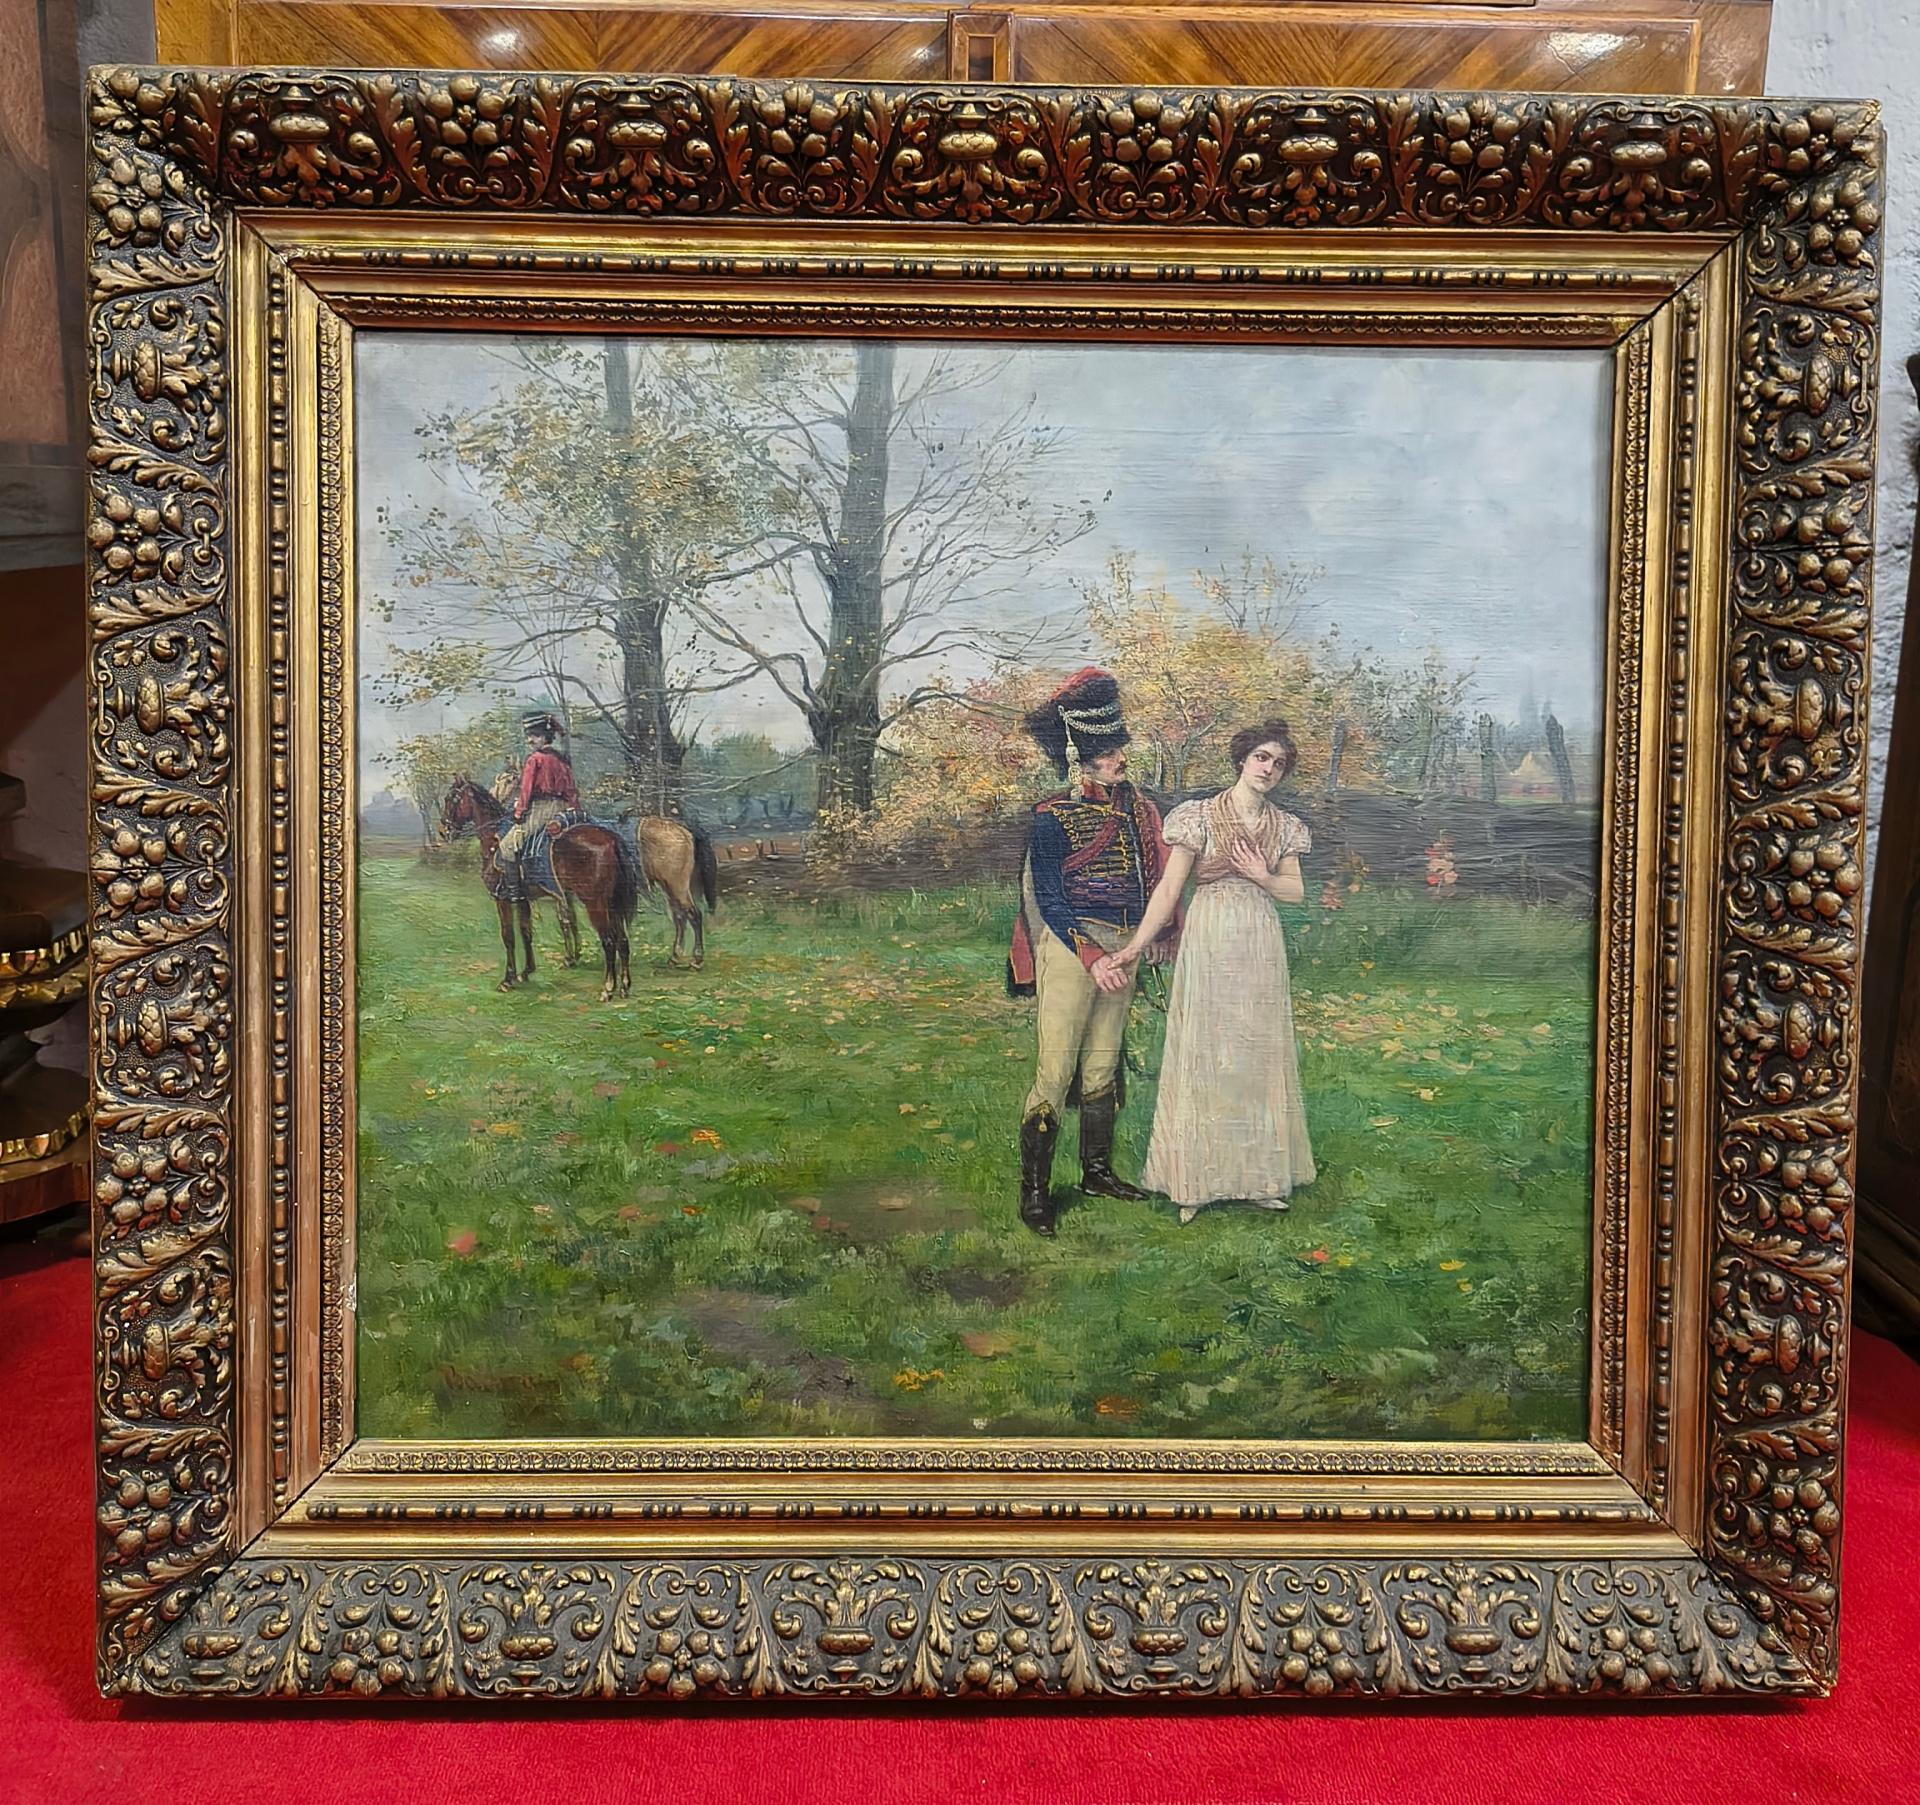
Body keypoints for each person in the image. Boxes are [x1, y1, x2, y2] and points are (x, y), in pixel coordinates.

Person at [1113, 719, 1315, 1222]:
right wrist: (1137, 945)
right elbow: (1169, 890)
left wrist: (1262, 875)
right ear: (1243, 759)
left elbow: (1295, 892)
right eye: (1261, 758)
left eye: (1278, 764)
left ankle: (1258, 1178)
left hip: (1259, 939)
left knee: (1255, 1053)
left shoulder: (1285, 826)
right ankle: (1196, 1182)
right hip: (1211, 936)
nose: (1268, 769)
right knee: (1209, 1051)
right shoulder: (1199, 816)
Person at [1006, 668, 1176, 1237]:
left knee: (1103, 1063)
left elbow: (1153, 879)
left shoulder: (1138, 810)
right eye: (1108, 752)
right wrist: (1090, 957)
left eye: (1119, 748)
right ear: (1081, 760)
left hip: (1124, 947)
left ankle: (1096, 1173)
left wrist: (1146, 940)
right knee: (1056, 1069)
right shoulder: (1051, 817)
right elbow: (1050, 898)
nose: (1121, 758)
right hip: (1071, 947)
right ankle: (1035, 1193)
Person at [497, 710, 579, 894]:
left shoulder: (534, 760)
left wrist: (519, 812)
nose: (530, 740)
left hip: (542, 810)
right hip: (563, 809)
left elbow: (526, 791)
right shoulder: (562, 760)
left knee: (507, 845)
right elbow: (571, 790)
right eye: (529, 736)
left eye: (535, 736)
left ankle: (514, 892)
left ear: (545, 737)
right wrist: (574, 810)